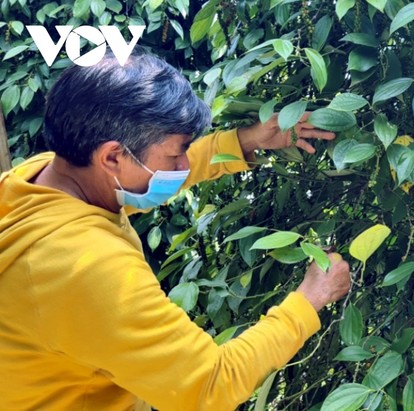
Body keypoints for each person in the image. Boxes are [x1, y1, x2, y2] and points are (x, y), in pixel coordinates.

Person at [0, 52, 351, 410]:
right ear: (111, 158)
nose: (183, 167)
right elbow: (210, 386)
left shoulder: (39, 179)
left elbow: (141, 175)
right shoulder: (86, 266)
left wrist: (244, 142)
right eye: (175, 156)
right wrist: (309, 300)